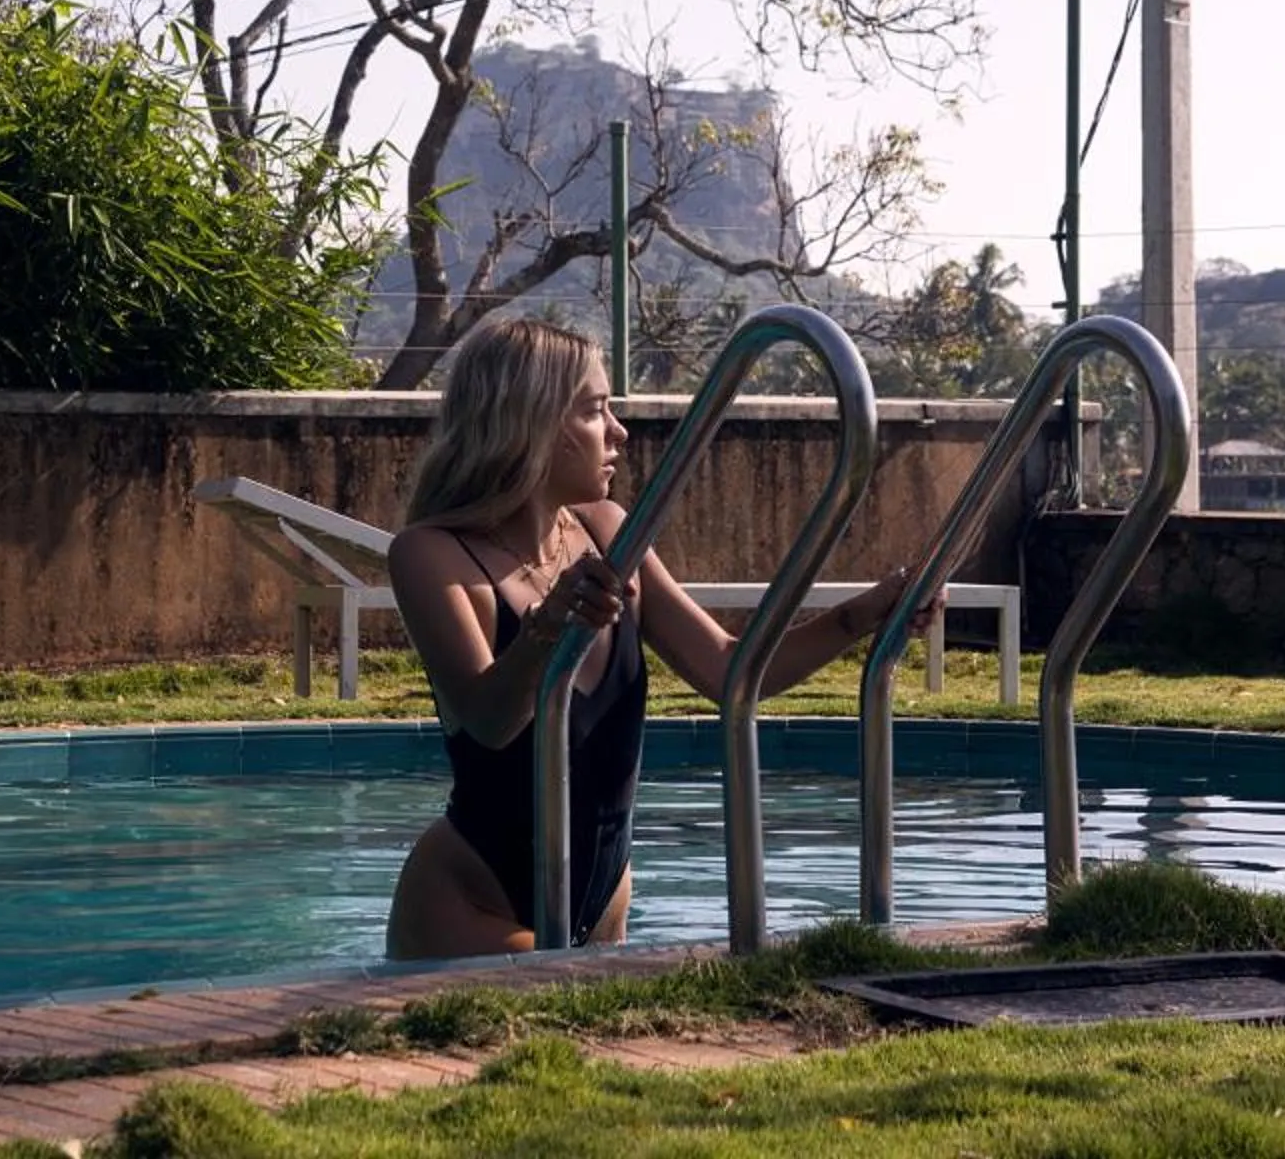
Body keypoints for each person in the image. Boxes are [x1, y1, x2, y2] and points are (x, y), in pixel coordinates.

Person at [383, 315, 931, 958]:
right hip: (472, 905)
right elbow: (488, 720)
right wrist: (549, 629)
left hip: (601, 906)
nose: (619, 431)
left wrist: (869, 613)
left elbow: (730, 670)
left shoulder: (610, 531)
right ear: (532, 423)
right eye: (596, 410)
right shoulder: (431, 554)